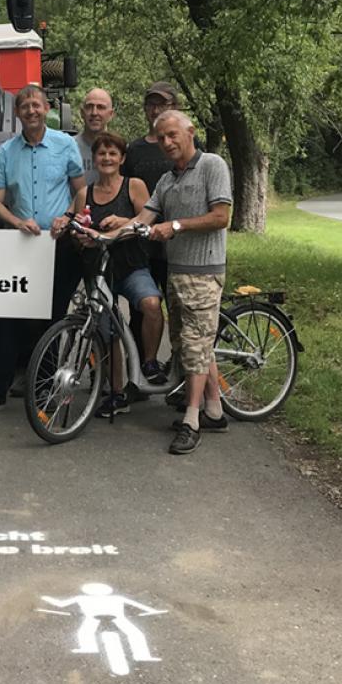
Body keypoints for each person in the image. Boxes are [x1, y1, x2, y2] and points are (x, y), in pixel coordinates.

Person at [0, 85, 85, 414]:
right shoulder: (6, 151)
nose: (31, 110)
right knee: (11, 319)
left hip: (59, 245)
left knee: (53, 318)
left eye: (36, 105)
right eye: (24, 106)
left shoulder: (65, 145)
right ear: (17, 113)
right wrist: (17, 222)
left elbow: (81, 190)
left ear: (47, 108)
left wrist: (68, 217)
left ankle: (44, 387)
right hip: (21, 247)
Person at [134, 110, 233, 455]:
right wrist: (109, 230)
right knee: (191, 344)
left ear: (190, 132)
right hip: (176, 272)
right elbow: (143, 218)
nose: (166, 142)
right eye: (161, 137)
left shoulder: (212, 165)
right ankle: (214, 411)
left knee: (194, 346)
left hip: (204, 272)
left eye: (172, 134)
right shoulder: (166, 180)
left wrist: (175, 226)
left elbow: (221, 217)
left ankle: (192, 420)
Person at [58, 132, 164, 419]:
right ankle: (117, 392)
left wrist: (123, 221)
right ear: (94, 159)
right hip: (99, 271)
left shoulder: (134, 186)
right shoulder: (85, 193)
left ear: (122, 158)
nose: (107, 158)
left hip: (130, 266)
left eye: (112, 153)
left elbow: (148, 220)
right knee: (107, 331)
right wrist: (76, 233)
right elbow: (73, 224)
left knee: (151, 304)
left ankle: (150, 362)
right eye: (101, 154)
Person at [121, 82, 179, 397]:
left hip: (177, 246)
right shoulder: (134, 150)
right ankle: (141, 371)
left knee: (180, 314)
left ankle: (181, 376)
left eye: (162, 104)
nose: (155, 110)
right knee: (141, 310)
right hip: (143, 245)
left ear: (175, 108)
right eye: (151, 104)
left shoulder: (184, 145)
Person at [73, 88, 115, 183]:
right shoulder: (68, 147)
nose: (94, 113)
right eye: (89, 107)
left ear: (111, 114)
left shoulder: (119, 150)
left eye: (101, 107)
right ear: (82, 112)